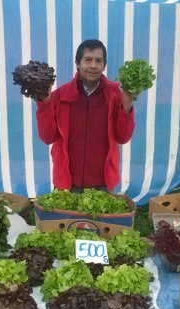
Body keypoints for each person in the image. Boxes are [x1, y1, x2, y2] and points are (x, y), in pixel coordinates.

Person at [35, 39, 135, 193]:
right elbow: (47, 137)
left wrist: (127, 105)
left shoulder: (115, 95)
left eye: (98, 60)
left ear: (104, 65)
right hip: (66, 185)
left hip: (103, 186)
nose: (93, 65)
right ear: (77, 63)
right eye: (88, 60)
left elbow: (123, 137)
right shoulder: (61, 96)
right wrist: (45, 103)